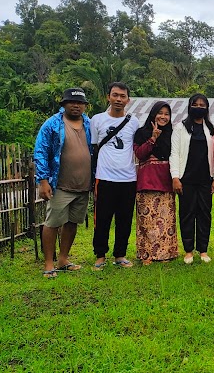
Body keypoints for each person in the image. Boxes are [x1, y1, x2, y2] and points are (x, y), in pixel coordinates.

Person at [33, 88, 93, 278]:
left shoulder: (89, 124)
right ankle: (49, 263)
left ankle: (63, 259)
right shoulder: (52, 124)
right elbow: (40, 152)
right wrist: (42, 180)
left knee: (73, 222)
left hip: (83, 185)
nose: (76, 105)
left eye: (80, 103)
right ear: (64, 104)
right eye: (71, 102)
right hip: (60, 184)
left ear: (84, 106)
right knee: (52, 223)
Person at [90, 82, 140, 270]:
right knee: (102, 218)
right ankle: (100, 255)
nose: (118, 99)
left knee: (125, 219)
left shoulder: (133, 122)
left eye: (122, 96)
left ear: (128, 100)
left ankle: (120, 254)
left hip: (128, 178)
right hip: (104, 177)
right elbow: (94, 145)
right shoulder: (97, 120)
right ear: (108, 97)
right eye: (115, 95)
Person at [170, 94, 214, 264]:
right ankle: (189, 250)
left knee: (205, 214)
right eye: (195, 104)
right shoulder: (180, 128)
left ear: (207, 108)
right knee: (187, 214)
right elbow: (174, 153)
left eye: (202, 105)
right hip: (186, 179)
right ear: (189, 106)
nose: (199, 107)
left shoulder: (213, 129)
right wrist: (175, 177)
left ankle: (203, 250)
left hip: (206, 179)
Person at [133, 101, 177, 264]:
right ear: (153, 114)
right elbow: (139, 154)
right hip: (147, 181)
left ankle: (165, 253)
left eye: (167, 114)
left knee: (166, 220)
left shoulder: (173, 134)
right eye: (160, 113)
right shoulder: (141, 133)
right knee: (147, 220)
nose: (163, 117)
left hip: (166, 181)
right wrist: (153, 138)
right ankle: (147, 255)